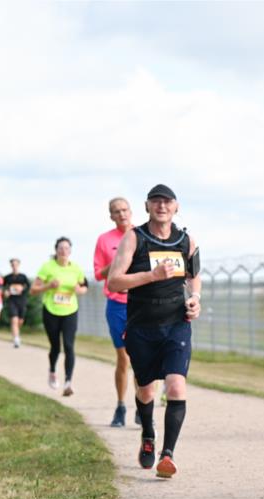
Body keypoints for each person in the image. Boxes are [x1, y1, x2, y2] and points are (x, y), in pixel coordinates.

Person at [107, 184, 201, 479]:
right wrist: (151, 275)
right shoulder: (134, 238)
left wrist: (195, 300)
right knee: (146, 390)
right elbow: (114, 282)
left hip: (176, 323)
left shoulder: (187, 240)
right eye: (156, 202)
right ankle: (148, 434)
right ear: (147, 206)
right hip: (142, 326)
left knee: (175, 385)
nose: (162, 206)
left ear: (176, 207)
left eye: (167, 202)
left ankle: (167, 455)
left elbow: (194, 278)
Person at [95, 197, 152, 428]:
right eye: (116, 211)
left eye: (125, 210)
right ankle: (120, 406)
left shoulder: (143, 235)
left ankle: (143, 405)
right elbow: (99, 275)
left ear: (131, 211)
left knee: (145, 358)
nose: (122, 214)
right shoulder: (104, 240)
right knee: (124, 358)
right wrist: (118, 260)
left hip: (141, 302)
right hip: (117, 304)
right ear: (111, 216)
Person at [30, 237, 88, 396]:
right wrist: (48, 285)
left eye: (67, 248)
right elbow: (33, 289)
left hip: (70, 311)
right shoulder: (47, 267)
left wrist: (79, 290)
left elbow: (84, 288)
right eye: (60, 248)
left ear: (70, 251)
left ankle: (68, 382)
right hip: (51, 311)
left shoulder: (76, 268)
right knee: (55, 346)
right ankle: (52, 370)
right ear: (56, 250)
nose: (63, 251)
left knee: (69, 346)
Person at [2, 258, 30, 348]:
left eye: (16, 264)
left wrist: (22, 288)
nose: (14, 266)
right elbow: (2, 288)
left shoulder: (23, 277)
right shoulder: (7, 277)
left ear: (18, 265)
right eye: (12, 264)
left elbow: (29, 287)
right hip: (12, 301)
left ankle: (16, 333)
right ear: (11, 266)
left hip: (22, 301)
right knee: (14, 320)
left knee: (20, 321)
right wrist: (5, 292)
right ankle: (16, 339)